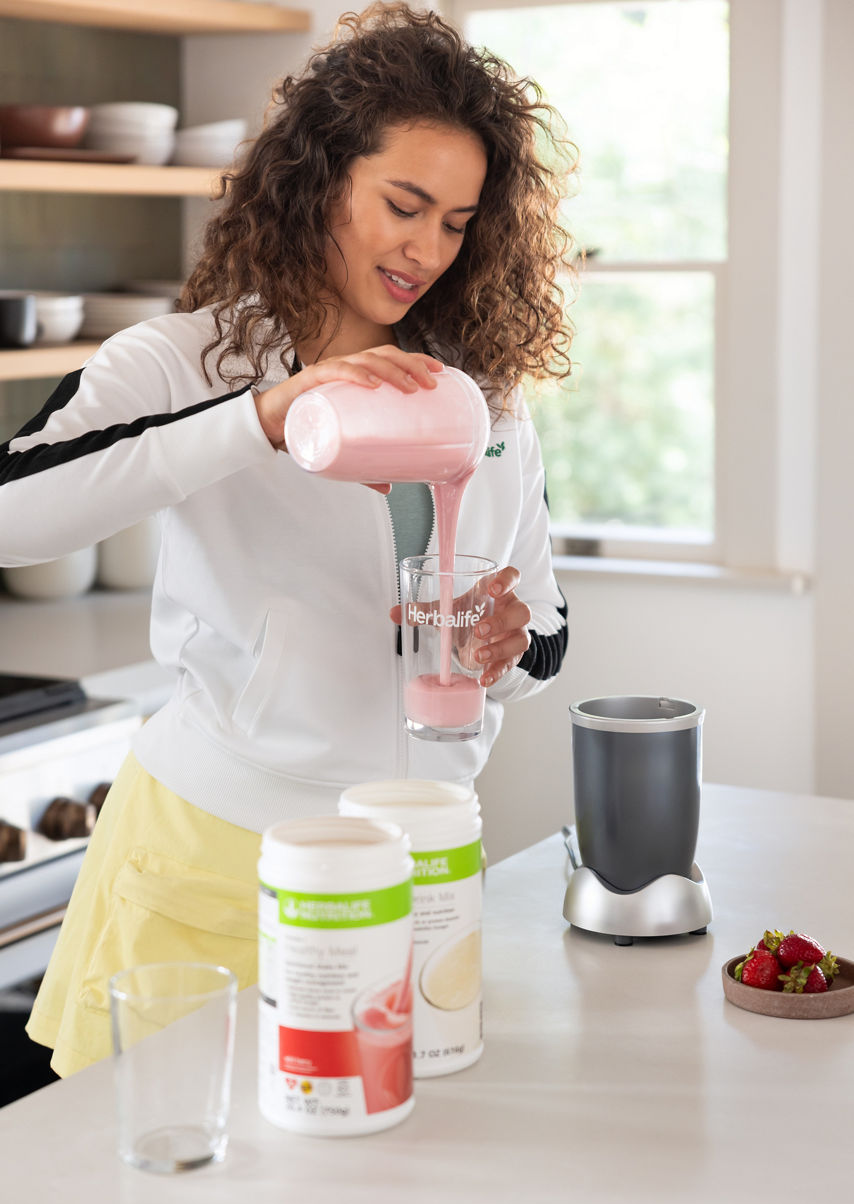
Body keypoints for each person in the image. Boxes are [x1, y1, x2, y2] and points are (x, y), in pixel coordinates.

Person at [0, 2, 575, 1076]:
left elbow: (545, 625)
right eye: (403, 204)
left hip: (424, 862)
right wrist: (261, 417)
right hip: (215, 854)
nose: (426, 249)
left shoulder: (483, 399)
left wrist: (506, 645)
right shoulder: (186, 365)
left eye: (456, 222)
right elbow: (12, 510)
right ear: (321, 178)